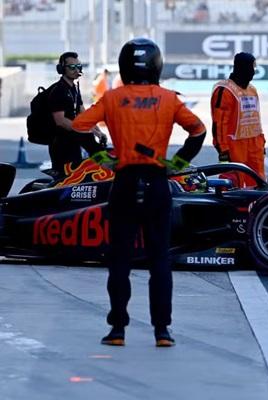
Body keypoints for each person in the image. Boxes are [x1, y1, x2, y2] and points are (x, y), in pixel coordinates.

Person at [72, 38, 207, 347]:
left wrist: (103, 157)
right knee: (160, 258)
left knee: (120, 257)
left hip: (125, 182)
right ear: (157, 65)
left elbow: (80, 127)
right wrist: (178, 162)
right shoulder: (169, 98)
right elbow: (198, 131)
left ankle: (117, 329)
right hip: (157, 181)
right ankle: (162, 331)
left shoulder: (112, 97)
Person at [211, 52, 266, 187]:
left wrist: (262, 142)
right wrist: (223, 150)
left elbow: (256, 119)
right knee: (234, 183)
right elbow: (219, 124)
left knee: (259, 182)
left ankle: (256, 207)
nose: (253, 71)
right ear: (243, 67)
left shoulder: (252, 90)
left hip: (254, 145)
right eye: (252, 67)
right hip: (233, 147)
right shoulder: (225, 90)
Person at [49, 51, 106, 174]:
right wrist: (83, 130)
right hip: (61, 144)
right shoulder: (58, 91)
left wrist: (98, 131)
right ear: (62, 69)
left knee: (78, 172)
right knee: (65, 177)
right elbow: (60, 121)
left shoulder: (74, 89)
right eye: (72, 67)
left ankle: (106, 166)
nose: (76, 70)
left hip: (73, 141)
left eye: (78, 67)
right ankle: (106, 164)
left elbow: (84, 115)